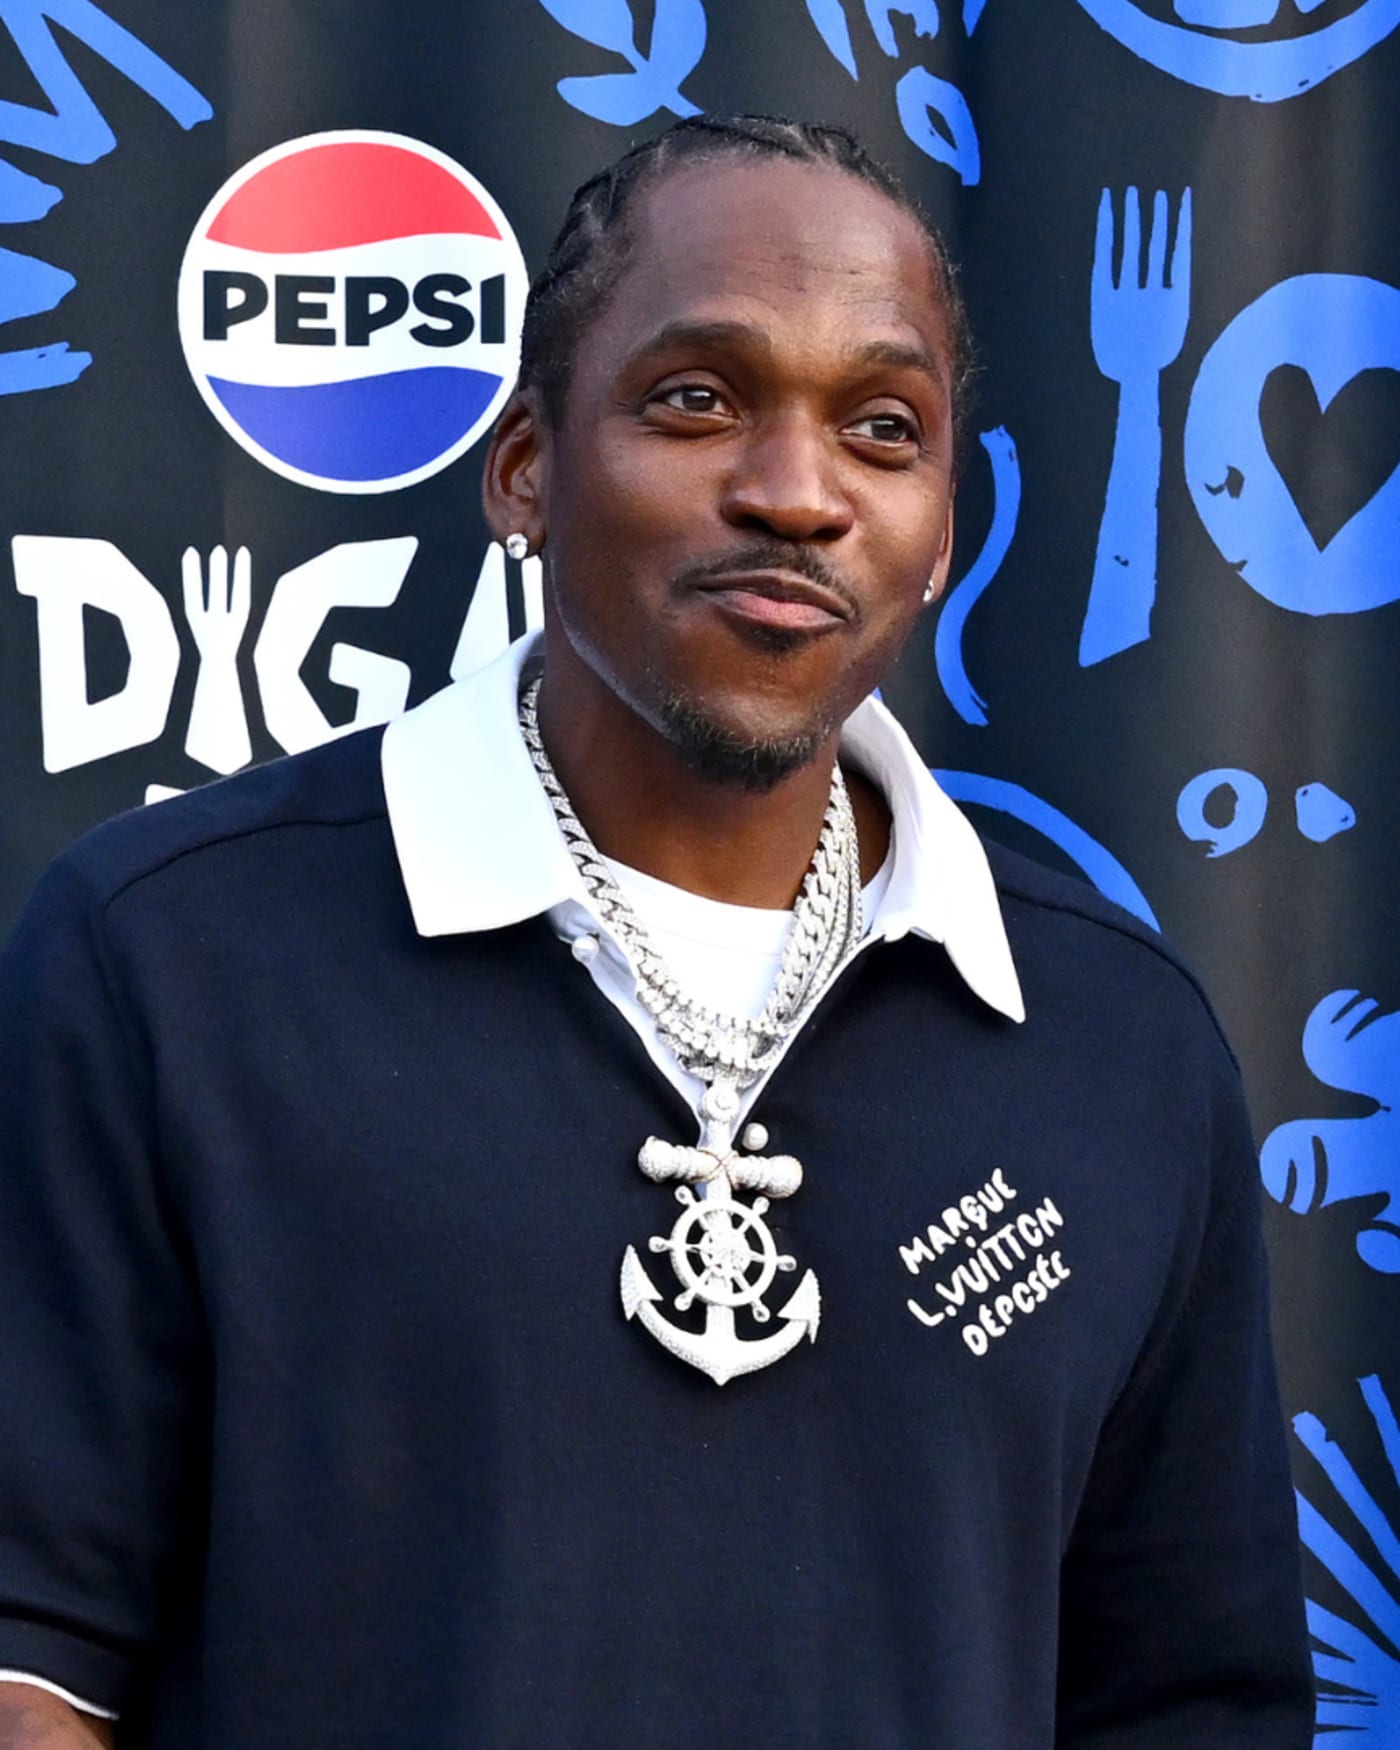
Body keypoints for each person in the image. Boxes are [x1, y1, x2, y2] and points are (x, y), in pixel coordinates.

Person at [0, 115, 1312, 1747]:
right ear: (524, 471)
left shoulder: (1118, 1044)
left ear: (941, 534)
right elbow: (35, 1661)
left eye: (883, 429)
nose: (796, 494)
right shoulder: (167, 961)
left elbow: (1191, 1700)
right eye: (698, 399)